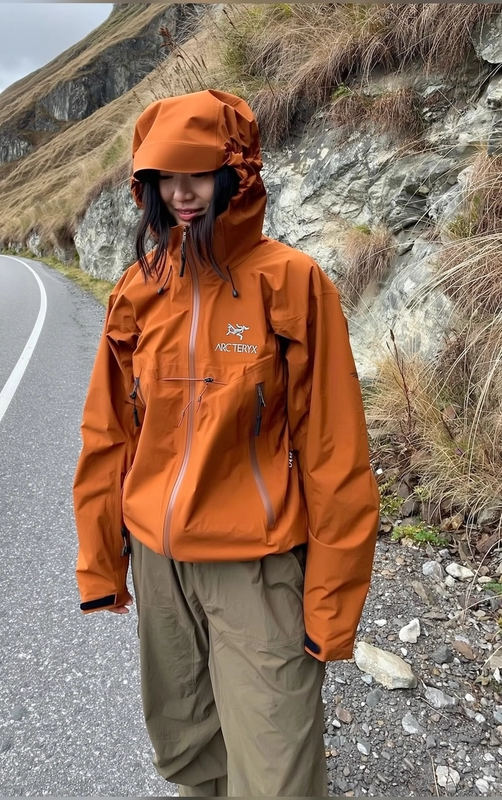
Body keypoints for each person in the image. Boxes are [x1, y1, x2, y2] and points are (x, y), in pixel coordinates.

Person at [73, 89, 379, 798]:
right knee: (188, 755)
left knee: (276, 776)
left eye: (199, 172)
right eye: (162, 177)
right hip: (158, 563)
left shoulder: (292, 282)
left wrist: (331, 606)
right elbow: (108, 435)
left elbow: (336, 454)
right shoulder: (137, 291)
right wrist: (100, 560)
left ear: (236, 171)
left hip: (257, 569)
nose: (181, 194)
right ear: (144, 185)